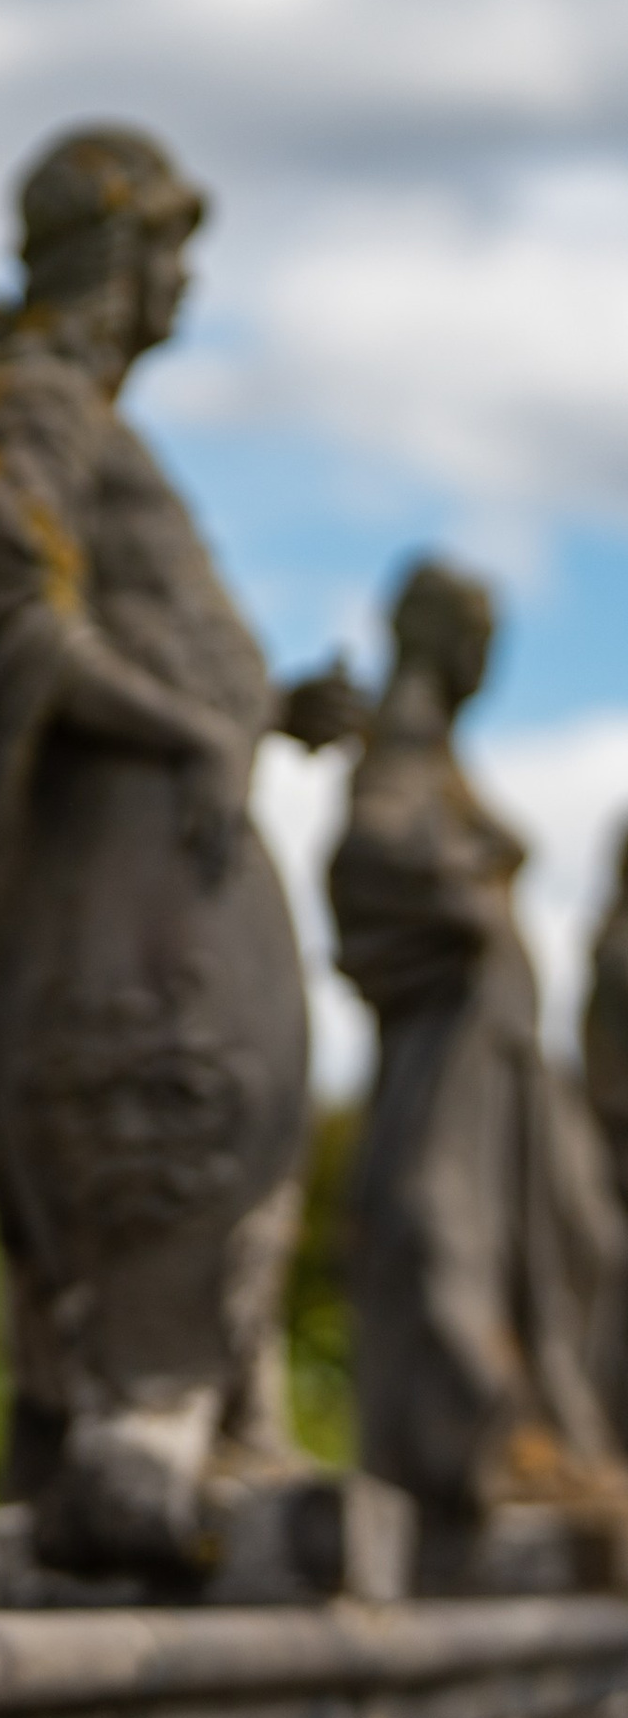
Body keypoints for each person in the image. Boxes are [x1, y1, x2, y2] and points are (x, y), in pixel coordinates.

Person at [0, 125, 360, 1585]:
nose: (184, 293)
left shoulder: (84, 412)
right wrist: (195, 733)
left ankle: (214, 1417)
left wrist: (261, 711)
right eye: (172, 258)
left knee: (215, 1120)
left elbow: (127, 628)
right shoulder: (39, 403)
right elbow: (17, 630)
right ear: (119, 256)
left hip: (173, 850)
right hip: (123, 877)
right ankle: (142, 1422)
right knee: (160, 1111)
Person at [332, 559, 626, 1540]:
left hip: (499, 1044)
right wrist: (462, 897)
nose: (485, 660)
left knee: (573, 1238)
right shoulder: (408, 725)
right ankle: (477, 1443)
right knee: (438, 1222)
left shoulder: (430, 738)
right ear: (442, 637)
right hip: (456, 1039)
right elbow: (367, 854)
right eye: (480, 636)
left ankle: (527, 1432)